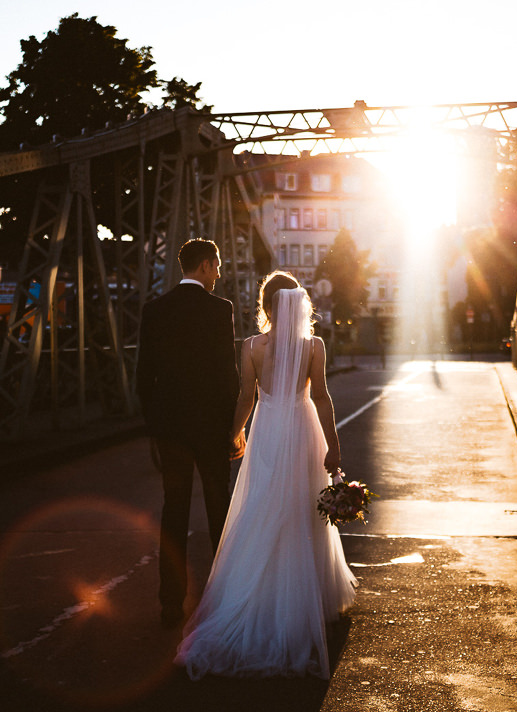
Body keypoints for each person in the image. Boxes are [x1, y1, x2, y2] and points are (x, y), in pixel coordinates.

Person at [175, 271, 357, 679]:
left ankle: (256, 595)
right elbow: (323, 397)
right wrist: (334, 444)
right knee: (303, 510)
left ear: (267, 305)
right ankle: (305, 601)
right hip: (304, 428)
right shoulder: (314, 346)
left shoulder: (253, 346)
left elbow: (246, 396)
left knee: (262, 507)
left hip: (269, 430)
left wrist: (234, 433)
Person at [136, 238, 240, 629]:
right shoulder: (220, 309)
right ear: (206, 265)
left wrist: (156, 422)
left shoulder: (155, 310)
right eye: (216, 267)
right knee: (219, 513)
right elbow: (226, 373)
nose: (218, 274)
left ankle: (170, 602)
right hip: (211, 427)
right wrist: (234, 427)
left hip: (172, 429)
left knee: (173, 512)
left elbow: (144, 375)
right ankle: (225, 596)